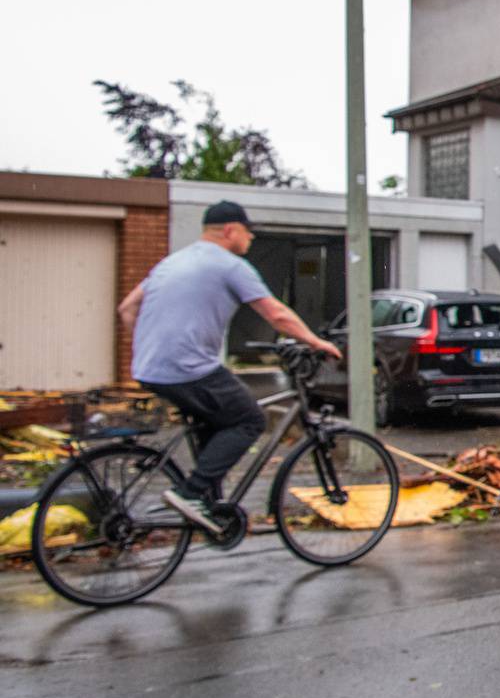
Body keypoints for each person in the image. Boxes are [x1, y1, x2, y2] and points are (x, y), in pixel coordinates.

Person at [119, 201, 342, 533]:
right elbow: (276, 314)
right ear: (229, 230)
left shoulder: (171, 261)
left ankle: (208, 507)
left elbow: (127, 308)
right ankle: (191, 494)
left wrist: (155, 344)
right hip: (188, 367)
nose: (250, 239)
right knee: (250, 419)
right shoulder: (230, 265)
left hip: (149, 366)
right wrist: (317, 342)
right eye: (248, 232)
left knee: (218, 422)